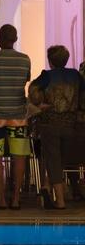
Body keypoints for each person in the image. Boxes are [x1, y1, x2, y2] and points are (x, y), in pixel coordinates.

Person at [0, 24, 32, 210]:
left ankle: (1, 199)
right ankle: (16, 199)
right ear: (15, 39)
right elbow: (26, 79)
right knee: (19, 156)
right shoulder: (25, 60)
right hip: (18, 115)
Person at [28, 45, 85, 209]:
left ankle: (60, 200)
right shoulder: (75, 75)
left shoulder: (47, 76)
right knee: (62, 158)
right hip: (71, 123)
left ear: (50, 61)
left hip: (50, 123)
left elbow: (33, 91)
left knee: (53, 159)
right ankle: (46, 186)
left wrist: (40, 103)